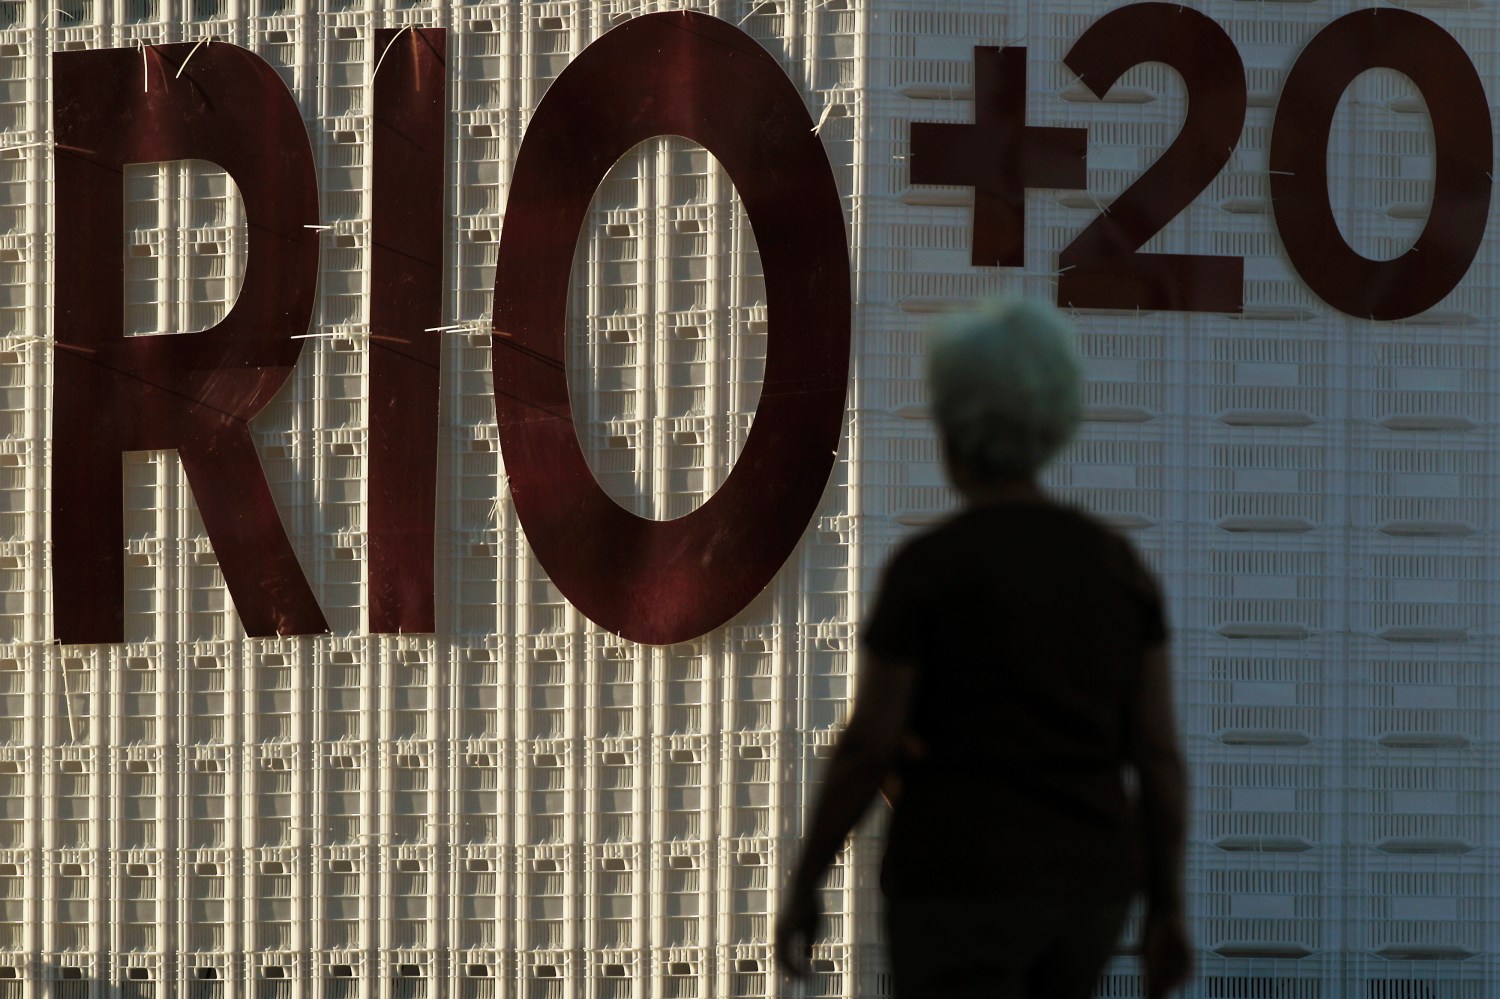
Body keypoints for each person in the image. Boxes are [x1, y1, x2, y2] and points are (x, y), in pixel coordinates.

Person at [775, 297, 1192, 999]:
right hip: (1086, 883)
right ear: (1052, 422)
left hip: (957, 877)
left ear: (954, 432)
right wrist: (1167, 908)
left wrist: (807, 879)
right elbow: (1157, 755)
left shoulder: (929, 570)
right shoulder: (1118, 568)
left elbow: (869, 744)